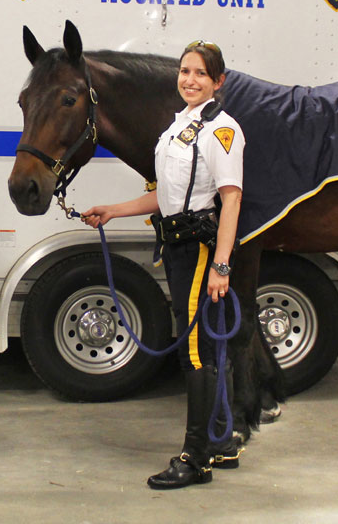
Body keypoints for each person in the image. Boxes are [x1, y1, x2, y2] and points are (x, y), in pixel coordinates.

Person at [81, 40, 245, 489]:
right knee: (204, 347)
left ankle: (195, 458)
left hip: (198, 249)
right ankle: (223, 441)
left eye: (200, 74)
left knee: (195, 352)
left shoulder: (221, 130)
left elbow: (231, 200)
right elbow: (167, 196)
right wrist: (114, 209)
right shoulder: (179, 126)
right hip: (175, 244)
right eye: (184, 71)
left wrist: (222, 265)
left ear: (218, 82)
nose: (189, 80)